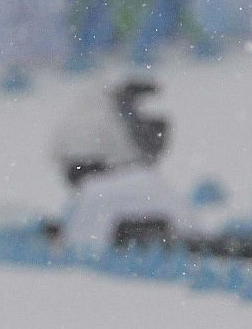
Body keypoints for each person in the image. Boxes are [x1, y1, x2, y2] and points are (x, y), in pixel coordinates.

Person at [44, 76, 189, 250]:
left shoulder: (87, 109)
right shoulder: (112, 117)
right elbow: (134, 157)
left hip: (81, 165)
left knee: (98, 200)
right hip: (100, 164)